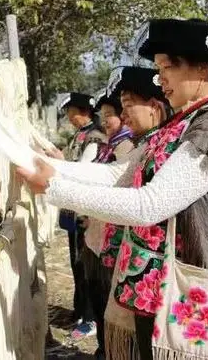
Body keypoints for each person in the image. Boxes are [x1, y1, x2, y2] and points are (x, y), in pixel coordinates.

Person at [19, 18, 208, 360]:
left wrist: (54, 188)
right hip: (154, 289)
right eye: (159, 67)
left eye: (167, 67)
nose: (160, 77)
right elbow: (120, 175)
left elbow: (151, 204)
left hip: (183, 286)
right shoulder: (182, 123)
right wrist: (46, 168)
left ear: (203, 67)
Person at [79, 90, 135, 354]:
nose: (106, 121)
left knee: (110, 308)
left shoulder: (127, 147)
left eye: (111, 115)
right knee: (100, 302)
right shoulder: (108, 146)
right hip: (97, 239)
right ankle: (104, 349)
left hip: (112, 244)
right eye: (104, 116)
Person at [51, 92, 107, 338]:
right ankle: (79, 310)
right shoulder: (81, 135)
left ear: (84, 111)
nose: (69, 117)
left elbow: (83, 170)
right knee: (76, 262)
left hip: (85, 211)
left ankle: (90, 318)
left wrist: (60, 162)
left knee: (85, 265)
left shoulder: (94, 137)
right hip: (74, 210)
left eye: (71, 112)